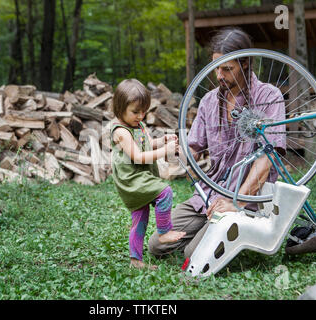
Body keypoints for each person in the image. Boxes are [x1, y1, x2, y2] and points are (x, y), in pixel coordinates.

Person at [148, 27, 287, 259]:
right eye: (216, 68)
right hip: (209, 195)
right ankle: (215, 234)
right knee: (157, 244)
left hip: (247, 200)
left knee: (194, 253)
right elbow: (193, 148)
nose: (219, 75)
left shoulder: (269, 97)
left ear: (244, 63)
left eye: (227, 69)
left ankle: (228, 234)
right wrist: (166, 150)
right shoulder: (209, 101)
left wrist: (237, 202)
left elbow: (267, 159)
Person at [110, 78, 186, 269]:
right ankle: (164, 232)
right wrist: (165, 151)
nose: (141, 115)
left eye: (144, 111)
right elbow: (137, 156)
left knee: (140, 219)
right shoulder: (121, 132)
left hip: (141, 177)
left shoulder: (139, 125)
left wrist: (162, 141)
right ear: (120, 108)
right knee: (165, 191)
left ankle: (135, 260)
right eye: (135, 112)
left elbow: (147, 145)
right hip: (132, 179)